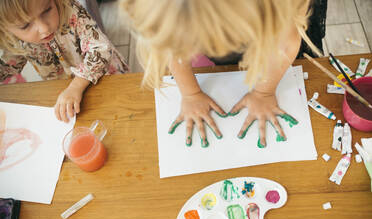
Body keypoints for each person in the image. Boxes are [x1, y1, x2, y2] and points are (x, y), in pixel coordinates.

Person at [121, 0, 326, 147]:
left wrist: (264, 92)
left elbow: (287, 43)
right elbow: (171, 46)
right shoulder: (167, 13)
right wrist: (190, 93)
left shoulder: (278, 9)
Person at [0, 0, 128, 122]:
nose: (44, 29)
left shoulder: (70, 10)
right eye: (25, 25)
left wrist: (76, 86)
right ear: (5, 30)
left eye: (47, 10)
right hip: (66, 93)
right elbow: (8, 67)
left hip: (106, 78)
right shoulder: (13, 41)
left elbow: (102, 49)